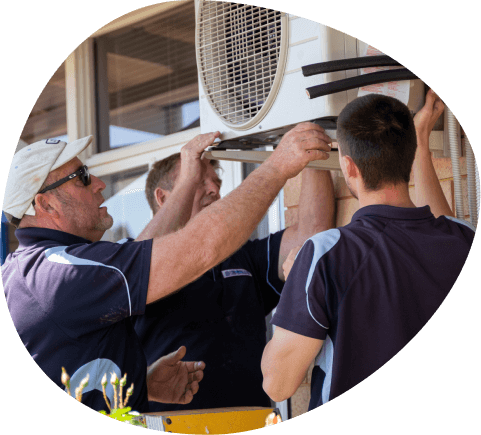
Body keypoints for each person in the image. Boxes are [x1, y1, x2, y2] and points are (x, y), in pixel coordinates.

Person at [1, 122, 331, 414]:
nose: (99, 183)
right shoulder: (63, 271)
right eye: (82, 177)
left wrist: (139, 385)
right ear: (45, 204)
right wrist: (277, 167)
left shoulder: (33, 269)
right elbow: (202, 246)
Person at [260, 90, 476, 409]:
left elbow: (277, 385)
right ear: (408, 157)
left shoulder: (325, 254)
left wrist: (296, 287)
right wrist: (419, 139)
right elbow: (439, 219)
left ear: (348, 167)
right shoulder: (461, 239)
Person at [132, 147, 335, 411]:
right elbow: (140, 263)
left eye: (216, 182)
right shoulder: (135, 270)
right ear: (163, 197)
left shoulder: (243, 257)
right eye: (198, 181)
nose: (214, 190)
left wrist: (310, 147)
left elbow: (312, 236)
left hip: (250, 420)